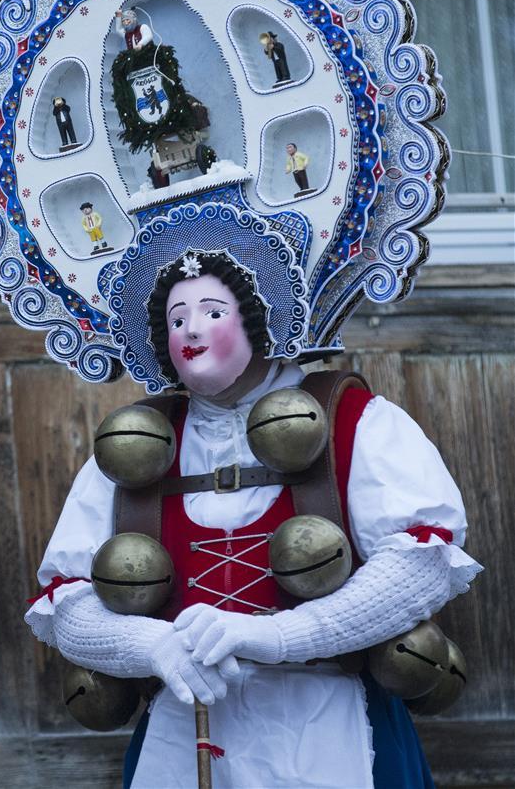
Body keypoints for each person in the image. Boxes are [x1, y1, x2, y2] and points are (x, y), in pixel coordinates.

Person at [25, 251, 481, 789]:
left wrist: (280, 636)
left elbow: (420, 567)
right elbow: (65, 601)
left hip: (333, 725)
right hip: (181, 731)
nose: (190, 329)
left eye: (212, 311)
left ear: (259, 315)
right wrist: (153, 647)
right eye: (176, 319)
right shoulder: (128, 447)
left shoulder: (360, 423)